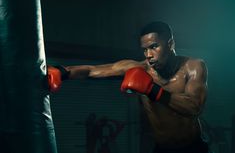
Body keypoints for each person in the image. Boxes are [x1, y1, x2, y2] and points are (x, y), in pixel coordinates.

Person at [48, 21, 209, 153]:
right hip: (162, 149)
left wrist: (152, 90)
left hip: (194, 148)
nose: (148, 55)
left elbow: (194, 106)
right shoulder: (140, 69)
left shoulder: (193, 67)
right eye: (145, 49)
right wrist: (64, 72)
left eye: (154, 46)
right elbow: (92, 70)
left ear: (170, 44)